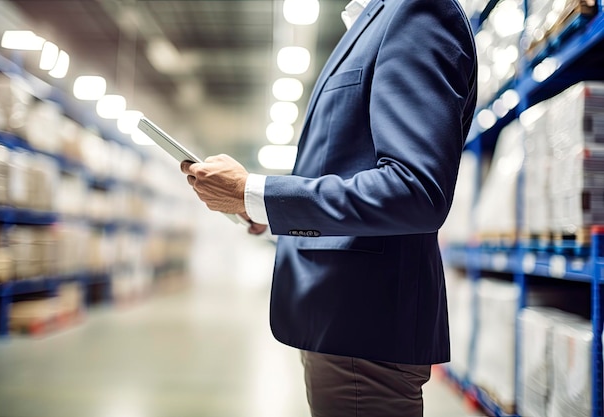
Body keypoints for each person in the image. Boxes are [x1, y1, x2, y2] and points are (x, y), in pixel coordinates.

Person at [181, 0, 477, 415]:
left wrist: (257, 191)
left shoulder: (419, 12)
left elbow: (415, 190)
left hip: (364, 330)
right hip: (339, 323)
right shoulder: (372, 21)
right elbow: (343, 167)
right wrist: (263, 212)